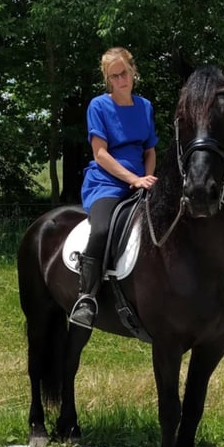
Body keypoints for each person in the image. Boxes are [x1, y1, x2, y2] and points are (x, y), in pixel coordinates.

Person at [69, 47, 159, 329]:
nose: (121, 80)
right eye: (114, 76)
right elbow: (101, 154)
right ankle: (86, 297)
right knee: (102, 230)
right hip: (106, 182)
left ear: (133, 70)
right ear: (108, 79)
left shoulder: (145, 106)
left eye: (124, 73)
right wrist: (133, 179)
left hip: (141, 181)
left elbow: (150, 151)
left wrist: (147, 179)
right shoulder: (98, 106)